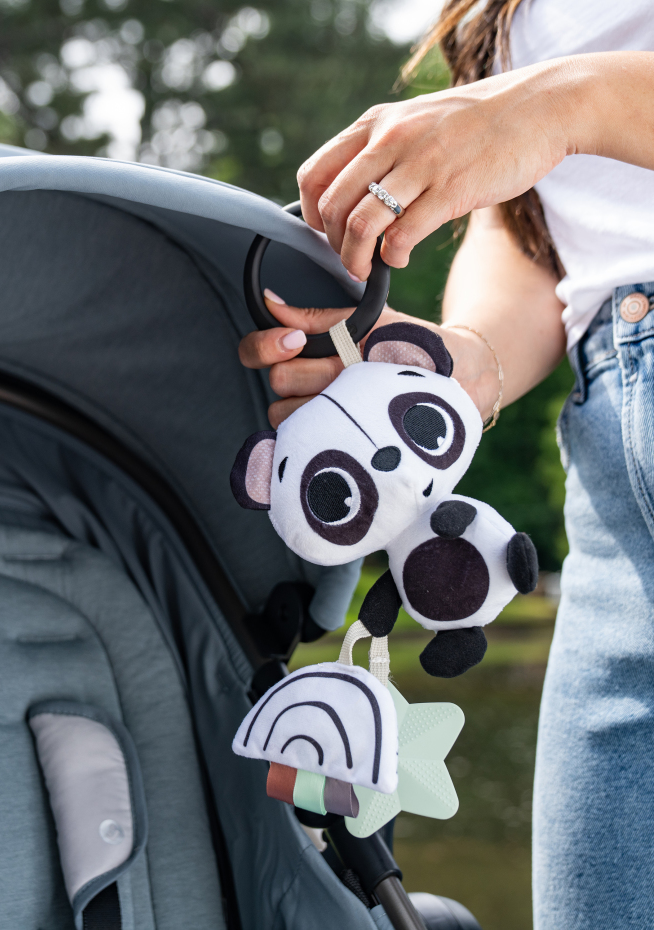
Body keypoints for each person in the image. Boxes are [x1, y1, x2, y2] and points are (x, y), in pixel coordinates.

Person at [237, 3, 654, 928]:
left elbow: (558, 125)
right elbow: (538, 227)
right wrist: (460, 363)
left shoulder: (553, 91)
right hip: (616, 485)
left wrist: (558, 102)